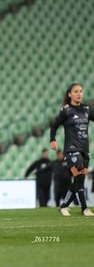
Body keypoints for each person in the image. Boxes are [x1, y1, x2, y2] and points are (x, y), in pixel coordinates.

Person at [50, 83, 94, 216]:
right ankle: (84, 209)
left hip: (84, 149)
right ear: (69, 94)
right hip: (71, 149)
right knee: (79, 177)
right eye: (76, 91)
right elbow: (54, 125)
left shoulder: (87, 108)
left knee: (79, 180)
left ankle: (63, 206)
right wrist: (52, 139)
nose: (79, 94)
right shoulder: (66, 110)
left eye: (81, 91)